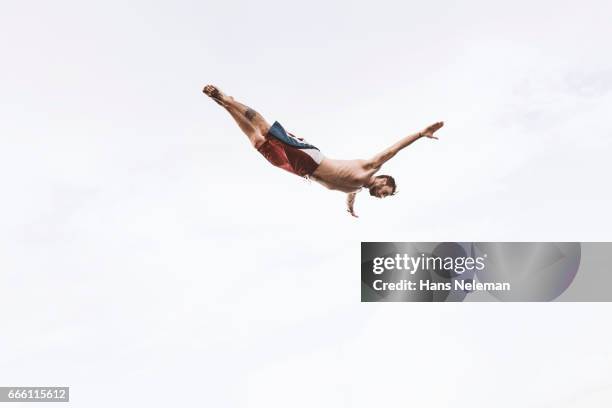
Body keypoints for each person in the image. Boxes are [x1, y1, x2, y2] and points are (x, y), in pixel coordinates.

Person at [203, 84, 444, 217]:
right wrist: (420, 134)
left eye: (382, 195)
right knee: (266, 131)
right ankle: (228, 98)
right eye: (384, 189)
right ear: (382, 178)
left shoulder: (357, 187)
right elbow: (393, 150)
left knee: (258, 143)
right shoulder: (368, 168)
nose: (381, 194)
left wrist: (350, 208)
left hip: (300, 171)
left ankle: (225, 107)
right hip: (309, 158)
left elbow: (351, 193)